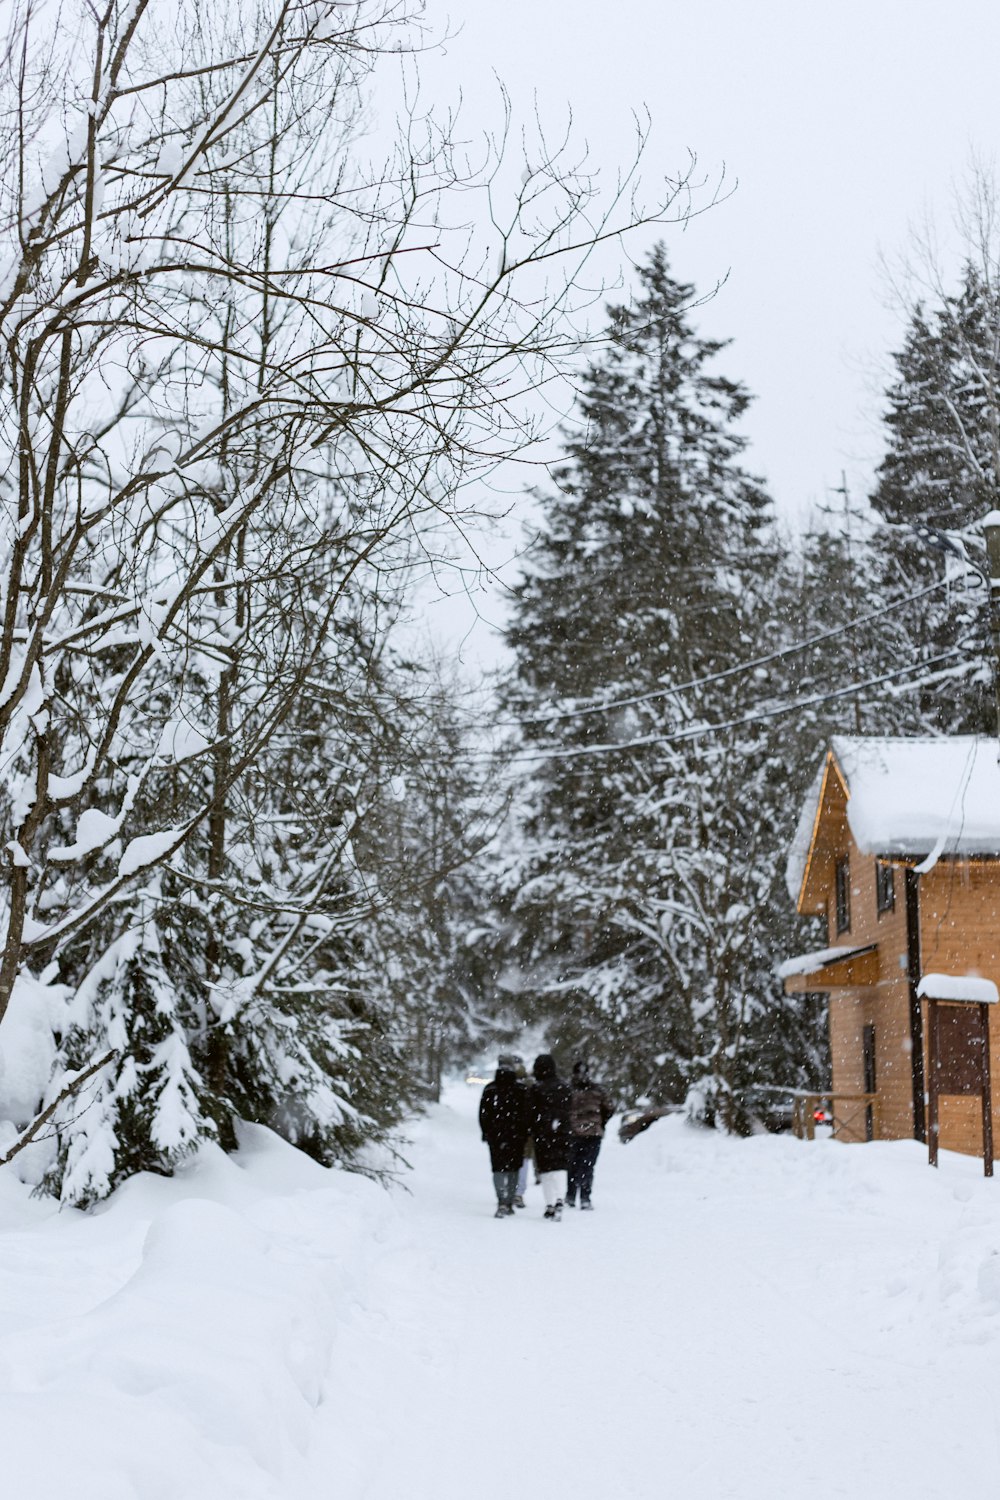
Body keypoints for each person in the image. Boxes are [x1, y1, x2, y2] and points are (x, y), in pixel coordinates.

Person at [479, 1058, 532, 1218]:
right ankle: (509, 1200)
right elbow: (528, 1113)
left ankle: (501, 1199)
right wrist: (526, 1131)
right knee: (514, 1168)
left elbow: (483, 1114)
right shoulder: (521, 1090)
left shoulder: (490, 1089)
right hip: (516, 1136)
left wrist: (486, 1132)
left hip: (496, 1136)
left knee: (498, 1168)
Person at [565, 1058, 614, 1209]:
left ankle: (571, 1195)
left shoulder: (568, 1090)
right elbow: (609, 1108)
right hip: (593, 1133)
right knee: (588, 1166)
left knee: (572, 1165)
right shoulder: (598, 1090)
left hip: (573, 1133)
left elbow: (562, 1109)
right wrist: (599, 1123)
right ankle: (585, 1197)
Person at [529, 1053, 572, 1221]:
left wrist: (533, 1127)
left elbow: (530, 1112)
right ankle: (560, 1198)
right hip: (562, 1132)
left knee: (546, 1169)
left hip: (542, 1133)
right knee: (560, 1166)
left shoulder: (536, 1089)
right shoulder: (564, 1087)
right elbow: (569, 1109)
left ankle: (549, 1204)